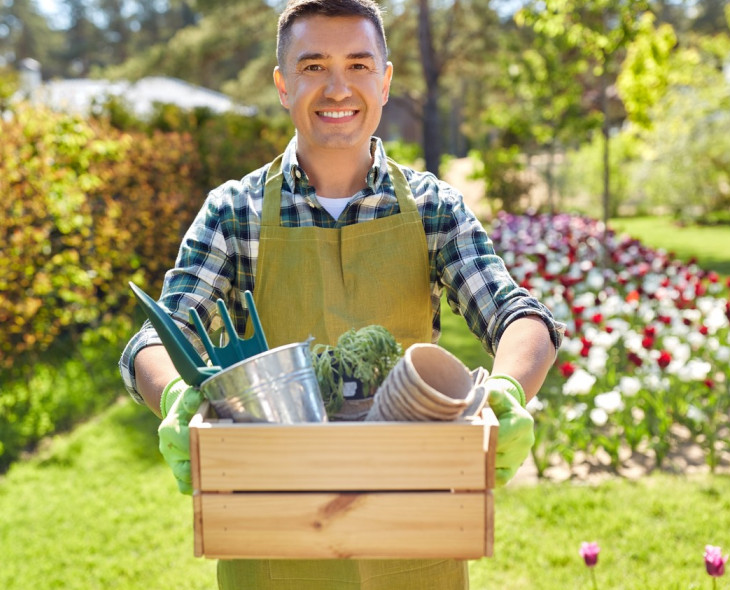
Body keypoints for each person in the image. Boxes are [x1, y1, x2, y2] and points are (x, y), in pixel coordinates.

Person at [118, 0, 563, 587]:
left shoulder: (433, 208)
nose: (337, 88)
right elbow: (156, 338)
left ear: (384, 81)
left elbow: (518, 315)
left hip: (414, 537)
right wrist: (176, 396)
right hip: (271, 543)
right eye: (312, 66)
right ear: (282, 84)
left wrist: (507, 389)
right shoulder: (235, 212)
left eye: (357, 65)